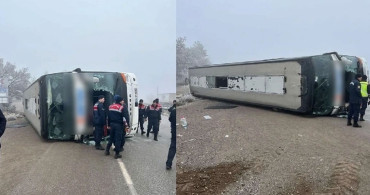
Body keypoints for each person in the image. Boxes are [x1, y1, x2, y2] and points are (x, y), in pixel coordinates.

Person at [166, 100, 176, 170]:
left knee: (172, 148)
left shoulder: (173, 111)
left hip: (174, 132)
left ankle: (168, 164)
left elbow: (170, 119)